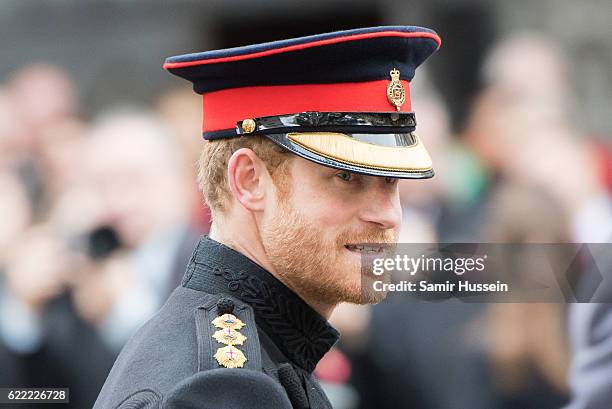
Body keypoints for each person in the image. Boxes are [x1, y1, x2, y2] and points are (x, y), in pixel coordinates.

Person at [94, 25, 441, 409]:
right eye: (347, 177)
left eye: (392, 181)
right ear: (250, 180)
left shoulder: (251, 357)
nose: (387, 215)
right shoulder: (226, 387)